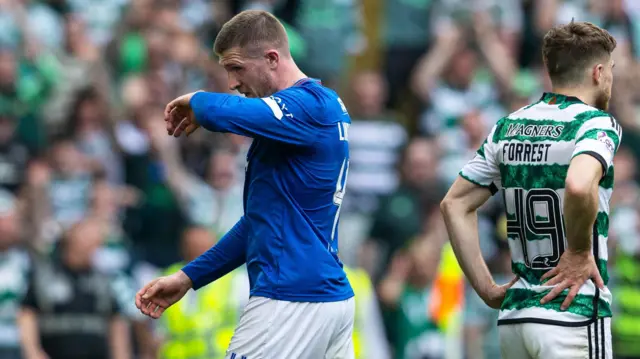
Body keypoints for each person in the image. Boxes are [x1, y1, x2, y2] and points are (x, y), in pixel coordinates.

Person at [135, 10, 355, 359]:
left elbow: (227, 114)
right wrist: (188, 278)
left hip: (290, 299)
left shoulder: (311, 105)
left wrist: (197, 99)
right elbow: (258, 222)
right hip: (322, 299)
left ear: (271, 59)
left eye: (235, 68)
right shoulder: (293, 124)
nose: (233, 83)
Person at [440, 21, 621, 359]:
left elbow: (454, 204)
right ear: (598, 72)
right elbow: (579, 186)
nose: (612, 78)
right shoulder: (595, 124)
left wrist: (486, 288)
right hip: (573, 311)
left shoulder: (508, 126)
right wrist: (580, 253)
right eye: (611, 69)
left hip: (516, 317)